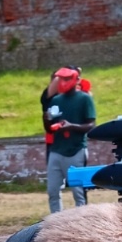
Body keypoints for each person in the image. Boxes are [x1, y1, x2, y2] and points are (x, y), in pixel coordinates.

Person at [41, 65, 96, 212]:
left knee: (78, 192)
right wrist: (46, 120)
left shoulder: (84, 98)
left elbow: (91, 124)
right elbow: (49, 129)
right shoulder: (56, 100)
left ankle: (82, 219)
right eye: (61, 79)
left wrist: (71, 126)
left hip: (76, 149)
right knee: (52, 191)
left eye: (67, 79)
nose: (63, 82)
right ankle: (55, 220)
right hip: (56, 150)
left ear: (76, 80)